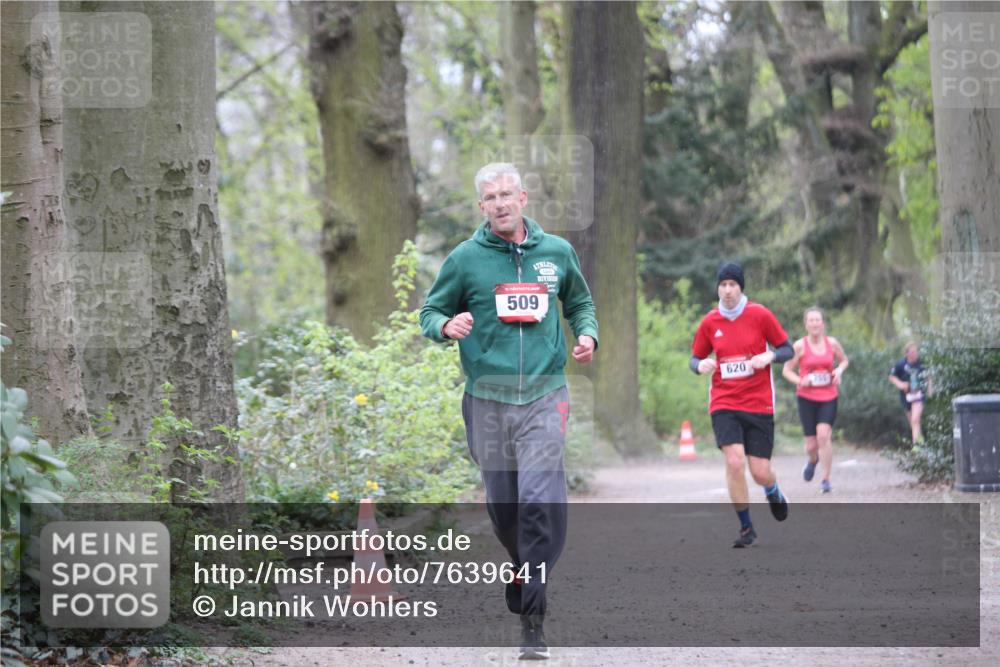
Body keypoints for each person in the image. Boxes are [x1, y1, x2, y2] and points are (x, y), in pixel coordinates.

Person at [420, 162, 598, 660]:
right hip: (487, 399)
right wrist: (445, 327)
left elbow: (580, 304)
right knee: (504, 511)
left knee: (539, 500)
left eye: (506, 194)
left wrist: (587, 335)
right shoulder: (465, 259)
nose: (500, 203)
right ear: (482, 206)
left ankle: (533, 621)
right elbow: (430, 311)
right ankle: (521, 565)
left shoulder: (556, 252)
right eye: (490, 197)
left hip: (545, 394)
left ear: (523, 198)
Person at [689, 262, 794, 548]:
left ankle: (772, 489)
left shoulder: (760, 315)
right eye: (722, 285)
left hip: (759, 403)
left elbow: (787, 349)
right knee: (734, 462)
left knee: (759, 472)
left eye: (732, 285)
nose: (727, 290)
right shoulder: (710, 322)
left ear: (740, 288)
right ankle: (747, 528)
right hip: (724, 402)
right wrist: (700, 365)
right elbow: (694, 358)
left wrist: (770, 356)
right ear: (718, 289)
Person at [781, 307, 849, 493]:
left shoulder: (832, 343)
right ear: (806, 324)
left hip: (829, 396)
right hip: (806, 398)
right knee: (811, 445)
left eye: (817, 320)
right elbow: (786, 370)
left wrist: (839, 371)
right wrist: (800, 381)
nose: (815, 323)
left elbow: (844, 360)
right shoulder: (799, 346)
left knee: (823, 435)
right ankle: (813, 460)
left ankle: (825, 479)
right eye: (811, 320)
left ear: (823, 323)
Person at [889, 342, 932, 445]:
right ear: (907, 353)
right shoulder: (900, 364)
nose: (915, 354)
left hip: (919, 394)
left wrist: (930, 389)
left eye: (916, 351)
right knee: (913, 422)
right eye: (912, 352)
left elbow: (929, 376)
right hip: (906, 396)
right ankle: (921, 442)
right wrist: (900, 384)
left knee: (915, 419)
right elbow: (892, 376)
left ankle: (916, 446)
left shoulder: (921, 363)